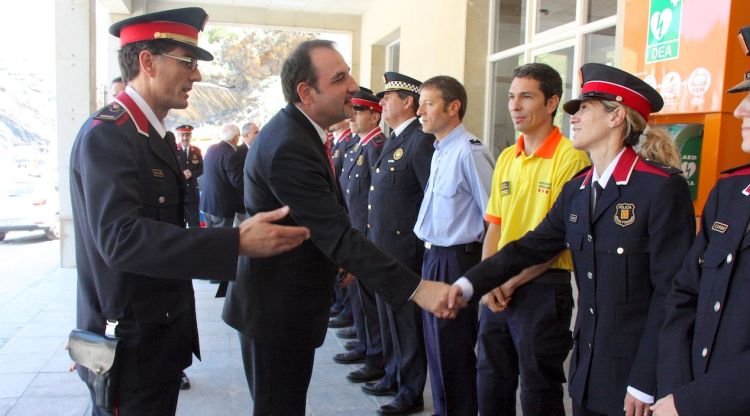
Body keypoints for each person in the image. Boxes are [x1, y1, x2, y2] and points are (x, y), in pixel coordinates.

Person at [69, 8, 310, 415]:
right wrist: (234, 241)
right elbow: (119, 240)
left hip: (157, 337)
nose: (196, 76)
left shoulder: (150, 134)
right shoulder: (109, 136)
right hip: (130, 345)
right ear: (147, 62)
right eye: (188, 62)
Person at [220, 40, 456, 416]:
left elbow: (323, 216)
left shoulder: (299, 133)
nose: (354, 85)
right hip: (276, 311)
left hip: (281, 303)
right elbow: (336, 233)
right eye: (340, 78)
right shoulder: (290, 145)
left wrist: (337, 261)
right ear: (306, 92)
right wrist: (418, 288)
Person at [447, 63, 696, 416]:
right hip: (588, 368)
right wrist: (468, 285)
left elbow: (671, 294)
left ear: (616, 117)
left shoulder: (660, 188)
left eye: (585, 108)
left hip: (635, 377)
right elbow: (530, 245)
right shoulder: (579, 188)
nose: (574, 118)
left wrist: (645, 380)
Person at [476, 63, 590, 416]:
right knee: (491, 381)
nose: (514, 106)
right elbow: (493, 226)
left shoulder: (571, 159)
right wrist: (488, 279)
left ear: (552, 102)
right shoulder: (508, 157)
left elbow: (557, 239)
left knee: (539, 389)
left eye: (526, 97)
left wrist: (509, 281)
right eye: (511, 97)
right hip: (498, 287)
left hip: (543, 287)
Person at [652, 24, 750, 416]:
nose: (740, 109)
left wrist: (690, 402)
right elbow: (684, 296)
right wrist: (676, 391)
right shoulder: (729, 194)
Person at [413, 75, 494, 416]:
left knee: (453, 351)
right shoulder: (440, 150)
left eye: (428, 103)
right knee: (435, 349)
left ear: (453, 106)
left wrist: (491, 274)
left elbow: (494, 215)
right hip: (433, 256)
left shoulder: (469, 150)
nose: (420, 111)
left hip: (457, 261)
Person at [361, 71, 435, 416]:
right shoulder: (394, 139)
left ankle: (410, 391)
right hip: (384, 249)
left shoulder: (420, 141)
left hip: (405, 251)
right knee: (388, 318)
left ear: (408, 102)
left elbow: (428, 199)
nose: (382, 102)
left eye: (388, 97)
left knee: (406, 323)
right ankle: (393, 374)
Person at [333, 87, 388, 381]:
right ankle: (367, 346)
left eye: (359, 111)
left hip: (365, 236)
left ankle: (375, 356)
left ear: (374, 115)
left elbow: (373, 199)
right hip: (353, 232)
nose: (352, 116)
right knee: (359, 297)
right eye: (352, 110)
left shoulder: (376, 146)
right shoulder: (358, 146)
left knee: (369, 300)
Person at [201, 123, 241, 228]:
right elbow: (237, 182)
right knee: (221, 241)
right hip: (222, 207)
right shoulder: (231, 154)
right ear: (235, 137)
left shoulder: (211, 149)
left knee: (209, 239)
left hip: (207, 204)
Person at [229, 122, 260, 224]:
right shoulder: (236, 155)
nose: (259, 134)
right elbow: (237, 181)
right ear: (246, 136)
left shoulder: (258, 150)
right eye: (256, 132)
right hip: (244, 204)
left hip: (258, 201)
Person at [175, 124, 203, 228]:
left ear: (190, 136)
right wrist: (181, 174)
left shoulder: (196, 151)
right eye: (182, 135)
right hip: (178, 194)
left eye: (187, 135)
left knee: (195, 225)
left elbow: (201, 169)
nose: (185, 138)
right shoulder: (172, 150)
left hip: (192, 193)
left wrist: (192, 173)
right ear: (178, 136)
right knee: (178, 225)